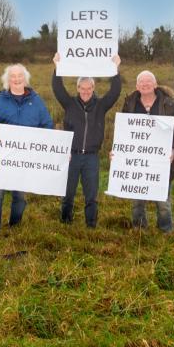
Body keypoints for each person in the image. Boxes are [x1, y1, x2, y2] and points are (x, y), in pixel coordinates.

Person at [52, 53, 122, 227]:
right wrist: (57, 67)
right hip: (71, 156)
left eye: (88, 88)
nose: (85, 91)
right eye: (82, 88)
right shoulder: (69, 103)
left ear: (93, 88)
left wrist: (116, 69)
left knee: (91, 195)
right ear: (77, 88)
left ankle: (91, 225)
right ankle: (65, 222)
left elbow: (115, 92)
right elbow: (57, 88)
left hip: (91, 157)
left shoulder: (101, 105)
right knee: (68, 192)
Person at [0, 63, 53, 232]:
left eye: (19, 76)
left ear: (25, 79)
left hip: (25, 160)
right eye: (13, 76)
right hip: (1, 157)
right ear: (7, 80)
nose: (16, 79)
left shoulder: (37, 102)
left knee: (20, 196)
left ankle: (14, 227)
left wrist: (45, 147)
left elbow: (47, 125)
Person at [121, 70, 174, 232]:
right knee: (137, 200)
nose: (145, 84)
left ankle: (165, 230)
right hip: (137, 163)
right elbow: (123, 130)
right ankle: (139, 229)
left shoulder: (169, 103)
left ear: (155, 84)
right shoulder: (129, 104)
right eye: (141, 82)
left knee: (163, 201)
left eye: (148, 81)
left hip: (162, 162)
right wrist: (119, 152)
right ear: (137, 86)